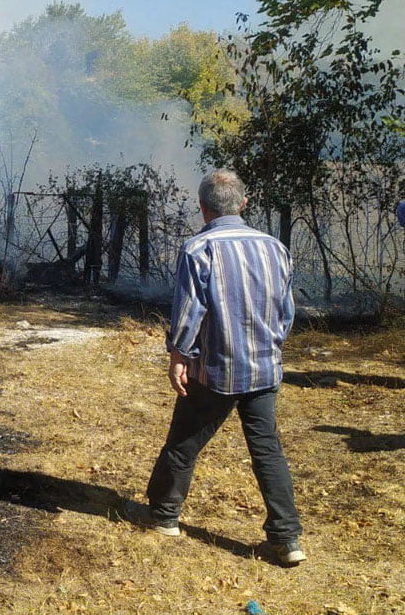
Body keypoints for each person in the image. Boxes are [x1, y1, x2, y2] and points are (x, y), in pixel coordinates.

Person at [131, 169, 306, 566]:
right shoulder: (275, 247)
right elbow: (286, 312)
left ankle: (164, 516)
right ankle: (287, 538)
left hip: (216, 369)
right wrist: (272, 347)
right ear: (244, 204)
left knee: (184, 441)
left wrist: (179, 355)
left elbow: (191, 310)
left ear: (202, 206)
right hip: (264, 370)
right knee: (268, 451)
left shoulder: (200, 248)